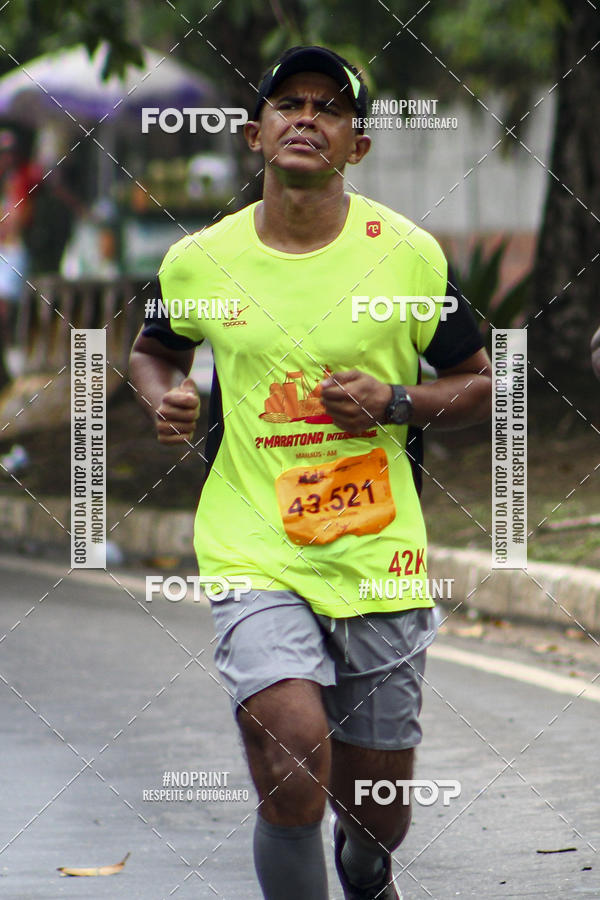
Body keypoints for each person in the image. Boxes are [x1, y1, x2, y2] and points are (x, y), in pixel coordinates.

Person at [130, 45, 492, 900]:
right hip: (254, 546)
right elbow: (151, 347)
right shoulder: (199, 261)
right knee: (291, 755)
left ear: (355, 146)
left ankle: (367, 872)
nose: (305, 117)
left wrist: (397, 402)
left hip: (379, 555)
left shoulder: (407, 258)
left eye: (328, 108)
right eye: (286, 103)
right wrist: (164, 397)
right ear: (256, 133)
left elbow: (483, 381)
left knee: (375, 807)